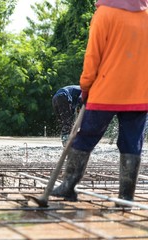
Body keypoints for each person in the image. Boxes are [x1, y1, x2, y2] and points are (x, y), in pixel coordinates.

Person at [51, 0, 148, 205]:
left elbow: (92, 56)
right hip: (140, 94)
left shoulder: (104, 14)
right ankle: (126, 198)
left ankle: (68, 186)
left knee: (85, 137)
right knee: (132, 143)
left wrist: (85, 86)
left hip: (106, 92)